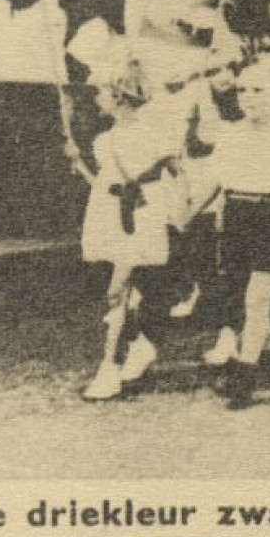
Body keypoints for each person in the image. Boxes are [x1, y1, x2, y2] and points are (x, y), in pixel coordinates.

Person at [199, 57, 270, 409]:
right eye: (242, 90)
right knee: (238, 294)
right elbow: (216, 181)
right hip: (237, 215)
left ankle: (245, 372)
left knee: (258, 297)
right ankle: (249, 352)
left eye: (259, 90)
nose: (249, 97)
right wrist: (189, 213)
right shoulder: (230, 135)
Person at [79, 59, 175, 402]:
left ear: (120, 96)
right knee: (113, 293)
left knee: (118, 292)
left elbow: (173, 176)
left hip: (141, 217)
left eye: (102, 92)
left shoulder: (153, 136)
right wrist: (79, 166)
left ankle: (109, 370)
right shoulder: (104, 141)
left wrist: (175, 213)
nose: (96, 98)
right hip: (108, 215)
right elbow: (108, 184)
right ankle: (139, 345)